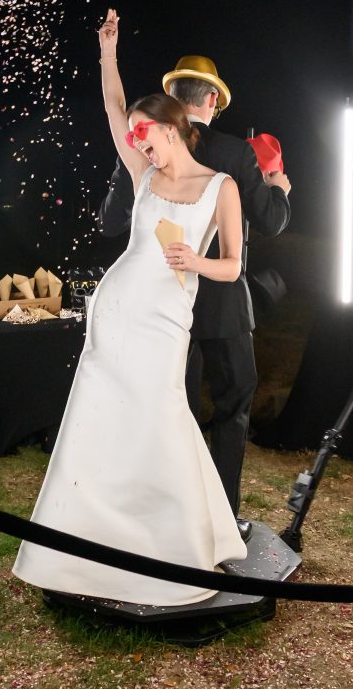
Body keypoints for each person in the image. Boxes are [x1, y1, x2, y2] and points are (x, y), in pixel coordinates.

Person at [13, 9, 247, 606]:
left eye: (148, 133)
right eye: (137, 136)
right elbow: (114, 108)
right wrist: (107, 53)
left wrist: (197, 264)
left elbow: (233, 265)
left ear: (174, 129)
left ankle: (176, 541)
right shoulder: (144, 176)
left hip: (169, 317)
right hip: (116, 310)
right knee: (103, 416)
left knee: (163, 412)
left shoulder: (222, 186)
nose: (138, 141)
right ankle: (87, 539)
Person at [98, 53, 291, 538]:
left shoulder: (146, 148)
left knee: (172, 409)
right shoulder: (236, 155)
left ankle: (170, 514)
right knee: (233, 404)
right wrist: (279, 189)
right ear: (210, 100)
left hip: (159, 307)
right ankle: (220, 516)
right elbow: (269, 223)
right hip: (222, 307)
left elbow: (109, 221)